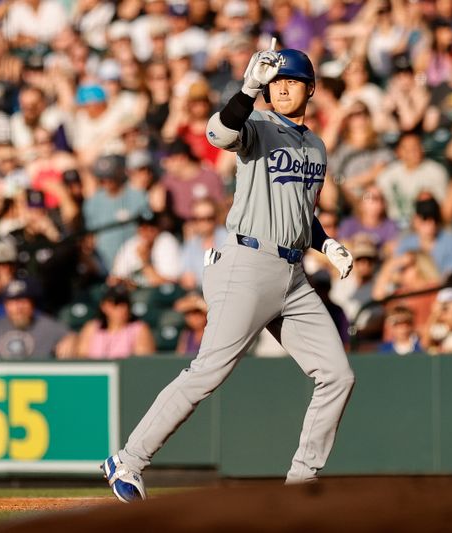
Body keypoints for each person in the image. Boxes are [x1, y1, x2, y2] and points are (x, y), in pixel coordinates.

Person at [101, 47, 355, 502]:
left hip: (294, 274)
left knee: (338, 374)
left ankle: (303, 481)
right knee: (208, 372)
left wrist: (324, 242)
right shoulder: (256, 124)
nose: (281, 86)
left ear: (310, 89)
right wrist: (247, 90)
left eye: (291, 80)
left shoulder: (316, 145)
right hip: (247, 263)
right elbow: (218, 134)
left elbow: (300, 209)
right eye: (277, 81)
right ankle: (128, 459)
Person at [0, 279, 76, 360]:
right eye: (12, 303)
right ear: (6, 306)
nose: (18, 308)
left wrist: (71, 341)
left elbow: (74, 338)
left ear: (32, 304)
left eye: (23, 302)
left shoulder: (47, 325)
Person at [75, 285, 155, 359]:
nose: (121, 309)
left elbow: (143, 361)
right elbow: (82, 357)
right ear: (104, 306)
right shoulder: (92, 328)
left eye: (124, 304)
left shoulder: (139, 329)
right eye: (115, 304)